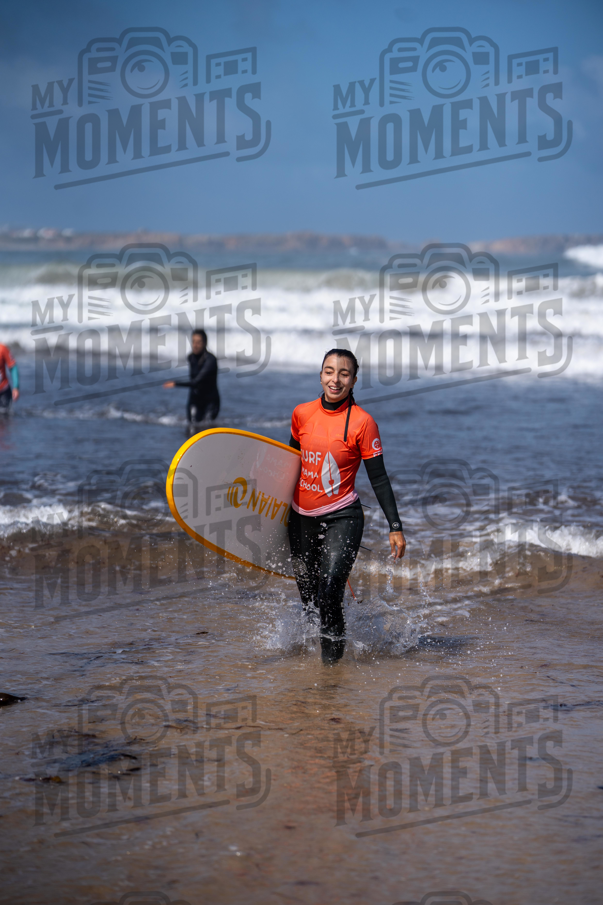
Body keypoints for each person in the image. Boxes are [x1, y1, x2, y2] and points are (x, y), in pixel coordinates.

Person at [288, 348, 405, 664]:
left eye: (343, 373)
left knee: (329, 591)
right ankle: (322, 644)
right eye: (329, 371)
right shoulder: (302, 414)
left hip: (343, 516)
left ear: (353, 380)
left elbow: (378, 478)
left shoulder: (363, 423)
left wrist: (395, 526)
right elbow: (286, 466)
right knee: (310, 598)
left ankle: (330, 672)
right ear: (320, 374)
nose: (335, 379)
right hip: (300, 518)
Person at [163, 329, 220, 425]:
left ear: (205, 343)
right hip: (195, 398)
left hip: (210, 401)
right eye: (193, 342)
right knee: (191, 427)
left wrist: (175, 383)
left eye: (198, 342)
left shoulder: (211, 360)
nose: (195, 345)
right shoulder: (191, 358)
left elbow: (196, 382)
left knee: (206, 428)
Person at [0, 344, 19, 413]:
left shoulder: (2, 349)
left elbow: (13, 367)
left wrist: (16, 387)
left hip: (3, 391)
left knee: (5, 418)